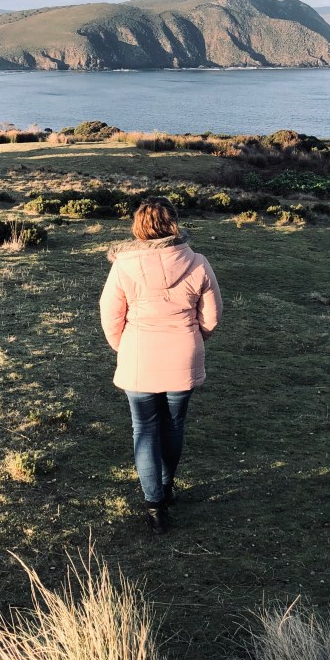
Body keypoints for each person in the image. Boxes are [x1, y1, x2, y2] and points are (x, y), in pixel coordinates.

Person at [99, 196, 223, 534]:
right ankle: (167, 488)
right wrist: (194, 341)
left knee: (145, 429)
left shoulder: (123, 265)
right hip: (183, 354)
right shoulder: (198, 262)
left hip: (139, 355)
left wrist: (123, 348)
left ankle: (155, 505)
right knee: (173, 426)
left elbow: (110, 315)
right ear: (174, 224)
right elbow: (211, 316)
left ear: (138, 227)